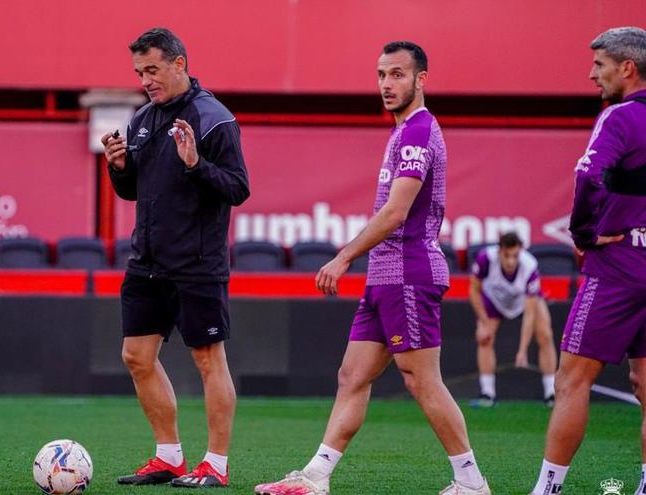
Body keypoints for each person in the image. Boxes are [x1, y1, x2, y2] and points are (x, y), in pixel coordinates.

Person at [254, 41, 490, 495]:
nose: (386, 83)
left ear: (421, 79)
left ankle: (470, 481)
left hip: (408, 272)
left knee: (421, 380)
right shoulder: (403, 131)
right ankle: (317, 477)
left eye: (398, 74)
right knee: (353, 375)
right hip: (386, 275)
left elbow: (396, 213)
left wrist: (343, 256)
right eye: (382, 74)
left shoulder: (419, 131)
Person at [101, 27, 250, 488]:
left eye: (153, 69)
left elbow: (238, 188)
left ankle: (217, 465)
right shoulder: (142, 119)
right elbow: (134, 190)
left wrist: (195, 164)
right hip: (146, 261)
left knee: (209, 360)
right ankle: (169, 456)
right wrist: (118, 167)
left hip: (196, 264)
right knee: (136, 356)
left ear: (179, 64)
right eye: (139, 72)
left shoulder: (215, 119)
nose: (145, 80)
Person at [529, 26, 646, 495]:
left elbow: (588, 174)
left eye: (599, 65)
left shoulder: (619, 117)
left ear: (627, 67)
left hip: (617, 264)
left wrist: (583, 233)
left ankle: (548, 489)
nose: (591, 74)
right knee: (644, 383)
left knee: (572, 380)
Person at [468, 232, 557, 408]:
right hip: (494, 300)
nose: (510, 261)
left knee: (545, 335)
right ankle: (488, 394)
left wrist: (522, 350)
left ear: (521, 252)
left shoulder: (530, 266)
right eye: (506, 256)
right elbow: (473, 290)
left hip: (524, 300)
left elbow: (529, 314)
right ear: (499, 251)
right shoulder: (485, 258)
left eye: (515, 256)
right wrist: (484, 322)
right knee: (484, 338)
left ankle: (551, 394)